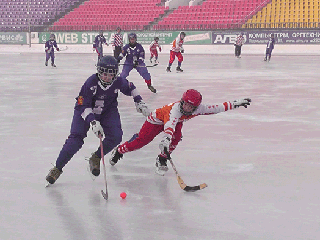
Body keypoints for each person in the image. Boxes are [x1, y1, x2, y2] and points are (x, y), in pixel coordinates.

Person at [45, 55, 150, 185]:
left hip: (107, 110)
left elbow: (131, 87)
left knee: (116, 137)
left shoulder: (118, 81)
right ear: (99, 71)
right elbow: (83, 104)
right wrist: (93, 122)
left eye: (110, 74)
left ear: (115, 74)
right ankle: (57, 168)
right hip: (84, 112)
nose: (106, 77)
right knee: (75, 140)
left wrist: (139, 101)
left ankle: (96, 157)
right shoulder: (90, 83)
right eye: (104, 73)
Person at [109, 89, 251, 176]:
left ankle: (162, 158)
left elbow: (216, 108)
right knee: (140, 142)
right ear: (182, 101)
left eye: (191, 106)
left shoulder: (198, 108)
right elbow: (170, 124)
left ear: (195, 106)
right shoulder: (175, 110)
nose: (187, 108)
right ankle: (119, 151)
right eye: (185, 104)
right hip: (155, 121)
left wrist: (235, 103)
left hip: (175, 123)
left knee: (176, 138)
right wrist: (165, 139)